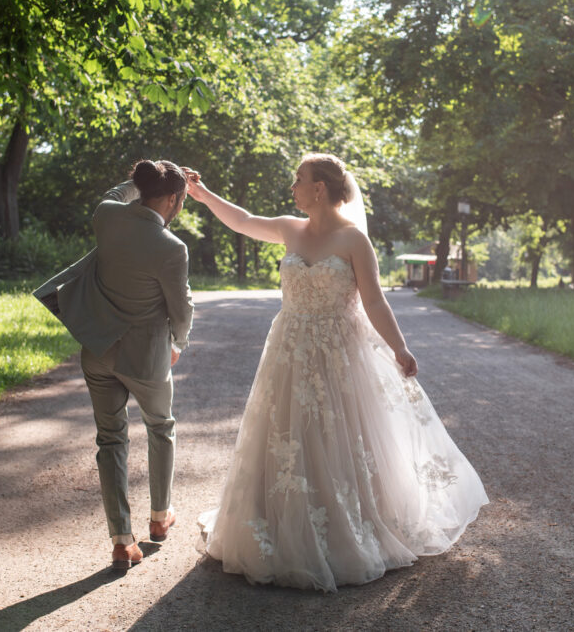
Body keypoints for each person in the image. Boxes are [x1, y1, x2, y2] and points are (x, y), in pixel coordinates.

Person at [189, 154, 488, 592]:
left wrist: (399, 347)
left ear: (320, 189)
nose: (292, 186)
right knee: (287, 434)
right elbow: (243, 220)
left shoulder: (353, 241)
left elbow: (375, 302)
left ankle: (348, 529)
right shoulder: (290, 228)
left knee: (336, 437)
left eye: (299, 179)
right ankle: (278, 523)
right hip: (289, 349)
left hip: (338, 353)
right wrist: (201, 193)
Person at [33, 160, 194, 571]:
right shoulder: (172, 247)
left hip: (98, 352)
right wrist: (179, 343)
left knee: (110, 440)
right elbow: (181, 307)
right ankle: (160, 518)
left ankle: (122, 541)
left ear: (141, 188)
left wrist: (139, 179)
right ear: (174, 199)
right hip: (147, 357)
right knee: (161, 427)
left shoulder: (107, 217)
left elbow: (114, 195)